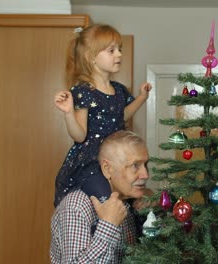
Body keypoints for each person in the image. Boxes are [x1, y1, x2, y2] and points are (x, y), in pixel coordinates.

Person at [53, 24, 152, 207]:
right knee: (107, 202)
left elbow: (122, 116)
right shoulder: (84, 91)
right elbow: (80, 135)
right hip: (93, 162)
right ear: (91, 57)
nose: (119, 55)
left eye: (119, 49)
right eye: (111, 50)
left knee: (133, 204)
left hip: (118, 159)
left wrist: (141, 98)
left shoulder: (119, 90)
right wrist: (69, 113)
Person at [50, 130, 150, 263]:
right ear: (107, 168)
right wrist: (108, 226)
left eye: (145, 165)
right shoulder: (76, 206)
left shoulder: (127, 204)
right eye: (135, 165)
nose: (145, 175)